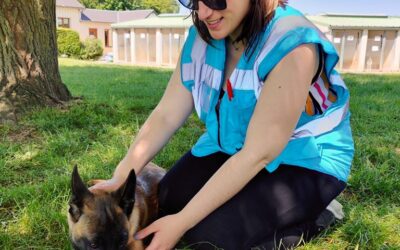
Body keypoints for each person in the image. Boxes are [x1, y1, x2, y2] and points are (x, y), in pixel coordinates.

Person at [91, 0, 354, 249]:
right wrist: (123, 173)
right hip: (234, 145)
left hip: (303, 161)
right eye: (193, 1)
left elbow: (258, 153)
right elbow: (166, 114)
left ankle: (320, 213)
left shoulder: (293, 43)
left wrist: (181, 223)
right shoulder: (203, 36)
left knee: (211, 237)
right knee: (170, 197)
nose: (204, 13)